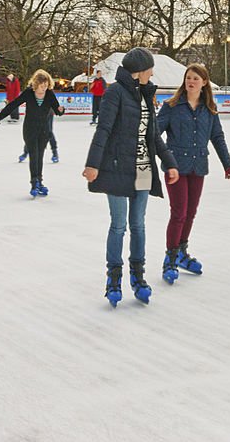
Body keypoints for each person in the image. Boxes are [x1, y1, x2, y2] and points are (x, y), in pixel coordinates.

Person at [83, 48, 179, 308]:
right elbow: (103, 129)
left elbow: (154, 135)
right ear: (140, 70)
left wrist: (169, 163)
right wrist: (93, 164)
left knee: (138, 225)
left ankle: (138, 277)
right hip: (117, 168)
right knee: (118, 225)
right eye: (150, 69)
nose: (152, 73)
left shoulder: (146, 94)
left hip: (144, 169)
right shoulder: (115, 92)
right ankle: (113, 279)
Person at [156, 63, 230, 284]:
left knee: (190, 212)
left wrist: (227, 165)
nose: (191, 81)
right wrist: (165, 159)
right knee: (179, 212)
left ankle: (182, 251)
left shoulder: (209, 109)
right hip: (176, 167)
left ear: (204, 83)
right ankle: (170, 258)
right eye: (188, 78)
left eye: (195, 78)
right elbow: (155, 135)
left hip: (198, 165)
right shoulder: (171, 106)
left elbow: (217, 137)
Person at [0, 69, 65, 197]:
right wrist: (0, 117)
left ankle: (40, 182)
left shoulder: (49, 94)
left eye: (46, 86)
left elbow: (57, 110)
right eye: (42, 86)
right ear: (36, 84)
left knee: (40, 155)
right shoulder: (28, 93)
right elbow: (13, 105)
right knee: (34, 155)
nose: (44, 88)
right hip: (30, 130)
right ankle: (34, 183)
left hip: (43, 131)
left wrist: (61, 110)